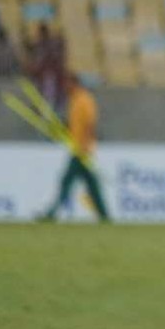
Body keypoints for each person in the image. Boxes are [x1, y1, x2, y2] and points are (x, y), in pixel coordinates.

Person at [40, 72, 110, 223]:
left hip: (82, 150)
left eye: (67, 83)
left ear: (74, 83)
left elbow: (90, 124)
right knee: (92, 185)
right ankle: (105, 216)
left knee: (67, 181)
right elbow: (74, 125)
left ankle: (52, 213)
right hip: (78, 148)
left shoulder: (84, 100)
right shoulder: (74, 100)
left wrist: (85, 145)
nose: (65, 87)